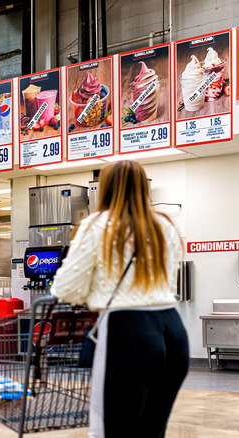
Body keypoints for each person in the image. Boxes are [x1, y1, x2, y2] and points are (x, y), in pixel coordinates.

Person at [50, 160, 188, 438]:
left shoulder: (97, 225)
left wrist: (94, 292)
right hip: (173, 330)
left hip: (127, 331)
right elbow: (168, 278)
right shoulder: (166, 225)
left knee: (116, 429)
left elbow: (66, 289)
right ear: (142, 187)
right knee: (152, 430)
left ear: (106, 188)